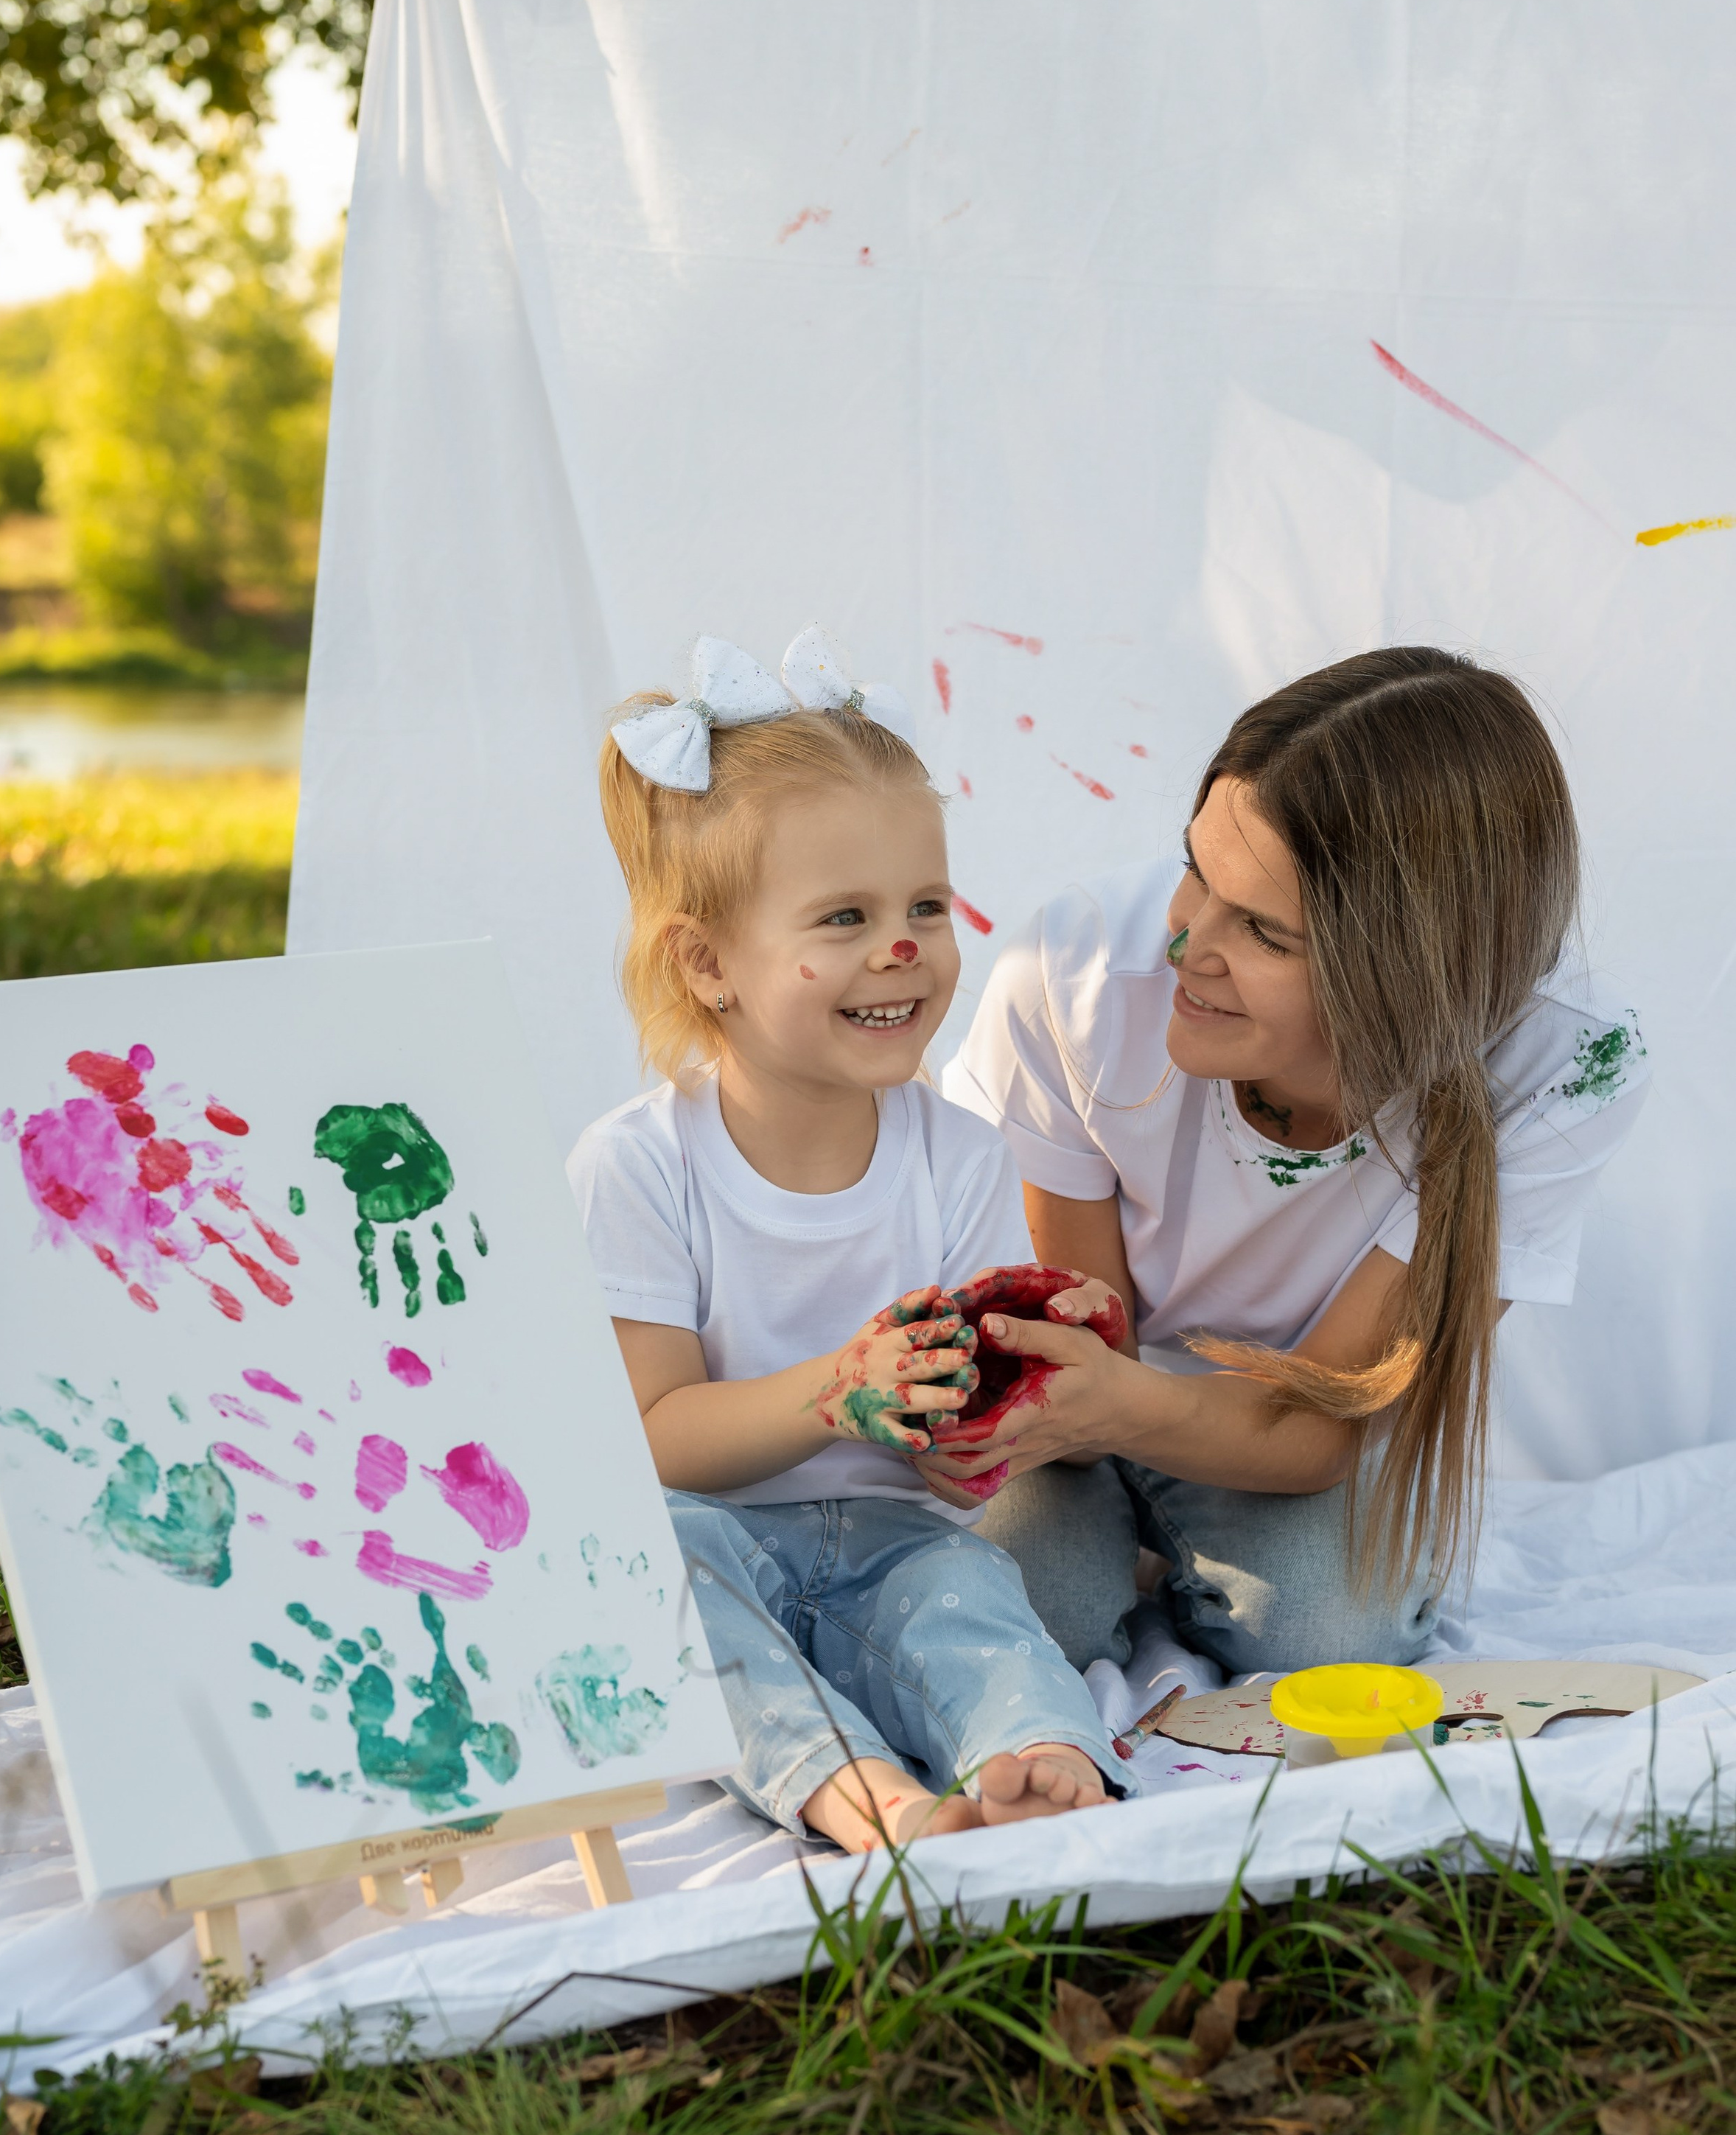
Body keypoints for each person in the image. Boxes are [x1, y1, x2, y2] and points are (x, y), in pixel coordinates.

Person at [934, 646, 1650, 1679]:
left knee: (1326, 1636)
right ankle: (1135, 1557)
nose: (1188, 945)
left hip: (1284, 1426)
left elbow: (1326, 1418)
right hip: (1088, 1395)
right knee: (1009, 1612)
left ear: (1404, 969)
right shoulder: (1079, 971)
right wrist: (1080, 1422)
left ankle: (1158, 1558)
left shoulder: (1569, 1063)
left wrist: (1135, 1415)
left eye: (1265, 930)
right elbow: (1089, 1344)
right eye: (1195, 870)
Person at [567, 626, 1124, 1848]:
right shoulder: (638, 1167)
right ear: (707, 964)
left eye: (927, 903)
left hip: (895, 1540)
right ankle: (862, 1794)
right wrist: (837, 1392)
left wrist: (971, 1440)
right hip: (712, 1530)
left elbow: (956, 1443)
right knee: (658, 1581)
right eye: (846, 917)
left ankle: (1041, 1762)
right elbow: (657, 1441)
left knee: (976, 1598)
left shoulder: (963, 1156)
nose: (906, 946)